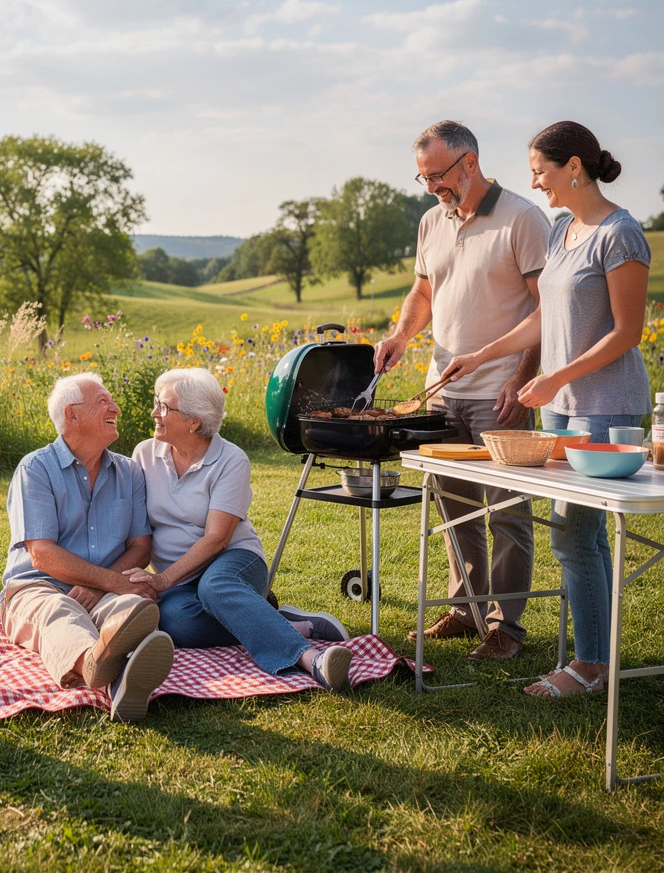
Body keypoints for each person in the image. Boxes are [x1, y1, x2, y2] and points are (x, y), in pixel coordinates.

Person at [444, 121, 650, 698]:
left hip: (605, 408)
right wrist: (482, 354)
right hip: (560, 408)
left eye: (541, 170)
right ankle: (597, 659)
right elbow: (543, 319)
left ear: (575, 166)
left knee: (573, 534)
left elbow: (627, 333)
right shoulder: (563, 232)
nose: (534, 181)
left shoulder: (621, 234)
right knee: (577, 536)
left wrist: (555, 375)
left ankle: (588, 666)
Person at [374, 120, 550, 661]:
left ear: (469, 162)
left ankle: (507, 628)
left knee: (507, 512)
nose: (431, 187)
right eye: (423, 178)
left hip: (503, 391)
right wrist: (401, 334)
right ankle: (465, 610)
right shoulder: (432, 221)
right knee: (453, 508)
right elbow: (424, 289)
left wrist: (523, 380)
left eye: (438, 176)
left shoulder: (523, 218)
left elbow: (547, 310)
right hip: (443, 390)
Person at [127, 368, 354, 692]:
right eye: (156, 403)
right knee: (176, 622)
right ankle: (287, 622)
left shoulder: (231, 460)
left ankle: (311, 659)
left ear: (194, 420)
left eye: (164, 406)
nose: (154, 413)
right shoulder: (144, 454)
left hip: (233, 560)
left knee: (215, 587)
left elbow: (217, 538)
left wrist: (161, 579)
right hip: (180, 578)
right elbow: (138, 529)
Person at [0, 373, 174, 723]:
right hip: (38, 584)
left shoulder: (130, 472)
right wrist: (114, 582)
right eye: (103, 401)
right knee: (59, 612)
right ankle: (94, 666)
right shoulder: (36, 468)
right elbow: (42, 554)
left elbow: (141, 546)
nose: (116, 407)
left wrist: (101, 584)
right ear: (72, 416)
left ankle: (118, 680)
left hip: (104, 586)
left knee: (133, 606)